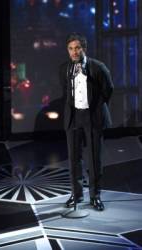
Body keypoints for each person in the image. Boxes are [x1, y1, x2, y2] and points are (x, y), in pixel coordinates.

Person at [59, 33, 114, 211]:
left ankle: (95, 196)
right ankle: (76, 194)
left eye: (77, 48)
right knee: (74, 159)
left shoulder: (97, 67)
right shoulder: (65, 69)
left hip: (92, 117)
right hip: (73, 118)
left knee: (94, 159)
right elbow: (66, 91)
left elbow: (108, 89)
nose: (74, 52)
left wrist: (97, 108)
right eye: (71, 49)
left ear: (84, 49)